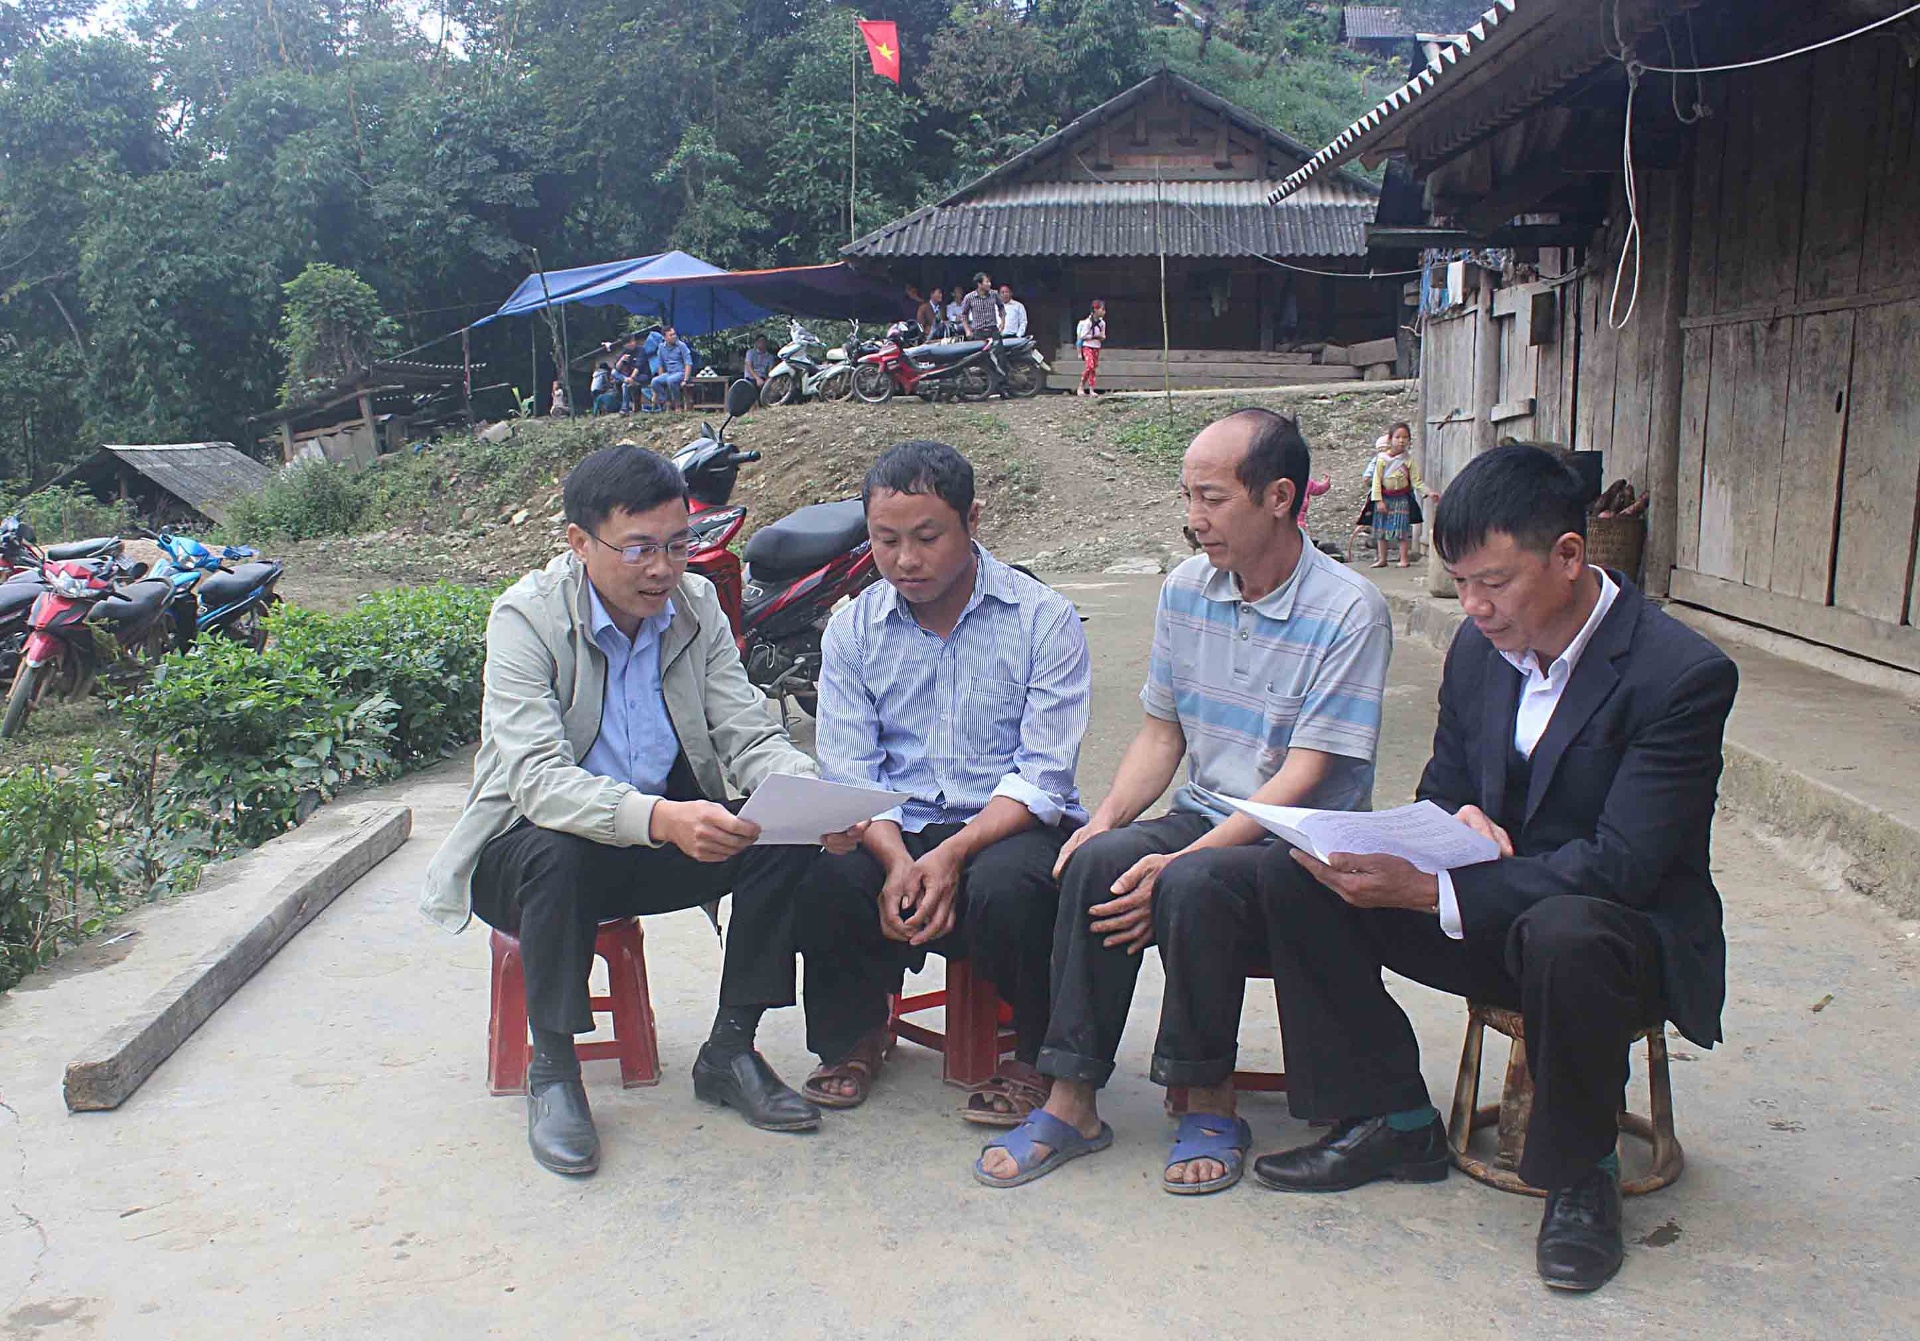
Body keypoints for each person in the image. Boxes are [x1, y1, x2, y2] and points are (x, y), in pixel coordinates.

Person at [1249, 444, 1738, 1294]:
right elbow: (1443, 787)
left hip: (1618, 944)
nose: (1473, 605)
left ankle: (1581, 1174)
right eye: (1460, 582)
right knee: (1299, 871)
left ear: (1569, 556)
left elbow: (1622, 867)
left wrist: (1436, 886)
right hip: (1491, 912)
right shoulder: (1480, 651)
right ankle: (1389, 1114)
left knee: (1568, 930)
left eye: (1494, 582)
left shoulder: (1679, 675)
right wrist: (1448, 826)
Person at [421, 447, 870, 1177]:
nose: (663, 568)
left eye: (677, 545)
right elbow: (537, 780)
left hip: (654, 843)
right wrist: (661, 818)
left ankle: (730, 1049)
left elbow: (746, 730)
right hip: (528, 857)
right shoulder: (526, 618)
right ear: (580, 542)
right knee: (558, 851)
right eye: (639, 548)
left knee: (782, 835)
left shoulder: (694, 608)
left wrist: (811, 798)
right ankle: (554, 1071)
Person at [975, 408, 1393, 1191]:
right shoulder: (1186, 589)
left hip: (1299, 844)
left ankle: (1209, 1098)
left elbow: (1305, 773)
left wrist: (1175, 865)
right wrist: (1103, 821)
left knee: (1194, 881)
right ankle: (1072, 1100)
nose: (1194, 518)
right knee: (1096, 860)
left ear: (1279, 497)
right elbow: (1161, 734)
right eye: (1188, 496)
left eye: (1212, 498)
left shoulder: (1348, 609)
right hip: (1207, 812)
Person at [795, 440, 1093, 1124]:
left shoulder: (1042, 620)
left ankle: (1037, 1057)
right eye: (886, 540)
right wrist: (898, 860)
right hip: (896, 822)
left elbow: (1042, 776)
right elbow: (851, 772)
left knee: (1012, 888)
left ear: (972, 520)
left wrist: (952, 854)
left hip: (1005, 822)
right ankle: (855, 1036)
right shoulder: (853, 630)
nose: (906, 559)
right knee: (827, 876)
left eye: (927, 537)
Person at [1368, 422, 1438, 569]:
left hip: (1401, 499)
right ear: (1390, 439)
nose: (1401, 440)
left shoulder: (1408, 460)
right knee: (1381, 530)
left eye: (1405, 437)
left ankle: (1404, 559)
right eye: (1398, 437)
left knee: (1402, 529)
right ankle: (1382, 559)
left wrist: (1429, 492)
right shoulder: (1382, 459)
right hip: (1384, 498)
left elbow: (1416, 481)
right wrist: (1378, 500)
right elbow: (1376, 481)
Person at [650, 326, 694, 411]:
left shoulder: (681, 346)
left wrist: (685, 380)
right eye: (671, 335)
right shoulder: (661, 347)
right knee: (654, 381)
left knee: (671, 380)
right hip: (669, 373)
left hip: (681, 373)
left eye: (674, 334)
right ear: (665, 337)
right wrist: (661, 377)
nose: (674, 336)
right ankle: (666, 401)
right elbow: (660, 364)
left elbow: (688, 363)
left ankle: (677, 405)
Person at [1075, 300, 1106, 396]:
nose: (1104, 311)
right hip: (1087, 346)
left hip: (1096, 346)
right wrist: (1094, 336)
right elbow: (1083, 336)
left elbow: (1103, 335)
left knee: (1093, 368)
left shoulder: (1102, 323)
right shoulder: (1088, 322)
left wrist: (1101, 337)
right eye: (1102, 309)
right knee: (1090, 366)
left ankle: (1091, 389)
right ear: (1095, 310)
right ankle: (1081, 385)